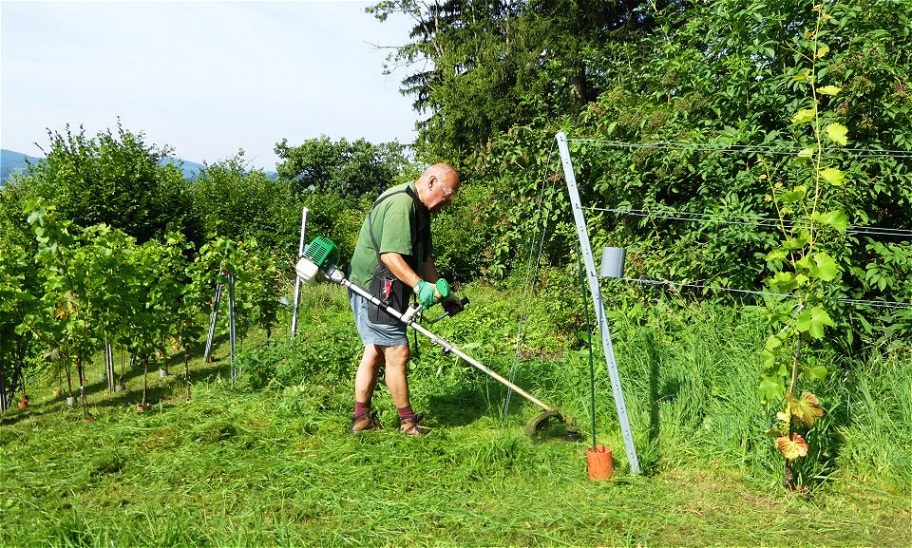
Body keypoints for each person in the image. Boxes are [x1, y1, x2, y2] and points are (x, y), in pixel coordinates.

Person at [346, 163, 463, 436]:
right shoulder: (402, 206)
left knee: (375, 351)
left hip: (386, 286)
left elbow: (424, 258)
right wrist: (420, 286)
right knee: (398, 352)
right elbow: (390, 255)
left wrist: (441, 293)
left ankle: (361, 418)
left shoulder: (421, 211)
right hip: (374, 288)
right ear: (432, 182)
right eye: (447, 194)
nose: (448, 202)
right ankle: (408, 424)